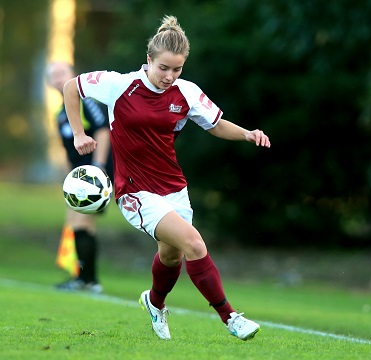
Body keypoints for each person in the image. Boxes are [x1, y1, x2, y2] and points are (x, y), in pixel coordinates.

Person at [63, 15, 270, 341]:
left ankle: (154, 302)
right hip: (134, 190)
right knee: (194, 243)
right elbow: (70, 87)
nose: (170, 76)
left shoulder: (185, 93)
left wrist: (247, 134)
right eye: (164, 68)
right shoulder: (120, 84)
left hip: (173, 187)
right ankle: (230, 317)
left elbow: (215, 124)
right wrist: (78, 134)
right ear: (149, 60)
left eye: (177, 70)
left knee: (171, 256)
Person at [46, 61, 112, 294]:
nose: (57, 77)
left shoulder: (85, 101)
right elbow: (70, 153)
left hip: (94, 174)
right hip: (79, 177)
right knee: (79, 224)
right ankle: (87, 279)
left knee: (81, 221)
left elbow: (104, 130)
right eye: (53, 75)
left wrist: (99, 166)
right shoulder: (61, 113)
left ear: (73, 74)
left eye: (62, 72)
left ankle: (87, 280)